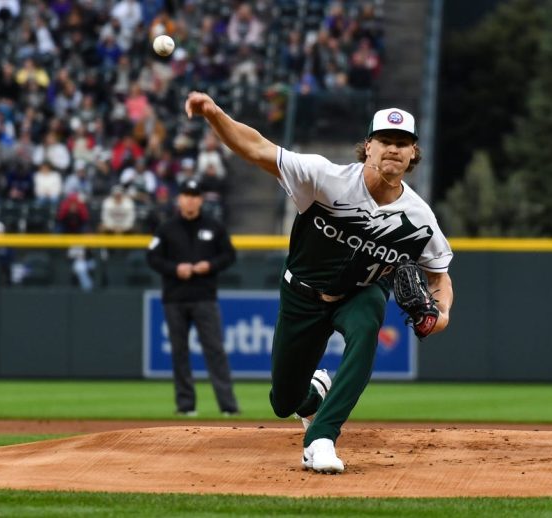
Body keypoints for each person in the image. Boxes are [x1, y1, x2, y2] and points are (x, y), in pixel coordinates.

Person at [185, 92, 454, 474]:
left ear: (413, 153)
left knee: (367, 325)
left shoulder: (418, 218)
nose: (393, 149)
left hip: (360, 293)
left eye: (402, 143)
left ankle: (322, 438)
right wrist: (214, 114)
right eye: (385, 141)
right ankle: (313, 397)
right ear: (368, 147)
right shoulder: (325, 179)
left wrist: (441, 312)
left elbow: (439, 275)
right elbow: (257, 148)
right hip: (302, 294)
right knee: (284, 401)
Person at [146, 178, 240, 417]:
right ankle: (186, 405)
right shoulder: (166, 228)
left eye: (194, 195)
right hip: (175, 297)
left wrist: (209, 265)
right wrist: (175, 268)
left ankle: (228, 406)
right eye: (186, 195)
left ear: (200, 200)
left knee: (215, 350)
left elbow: (229, 255)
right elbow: (153, 258)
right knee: (179, 352)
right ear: (180, 199)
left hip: (204, 296)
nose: (190, 199)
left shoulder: (214, 227)